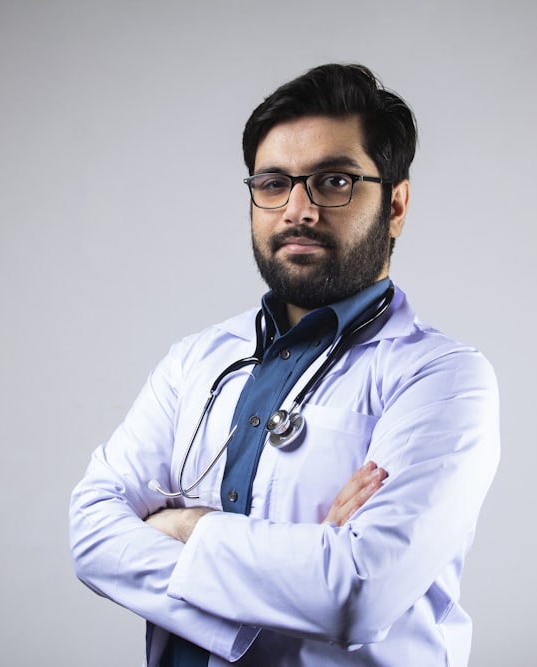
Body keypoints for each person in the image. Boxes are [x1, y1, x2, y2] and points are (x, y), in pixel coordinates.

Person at [69, 63, 500, 666]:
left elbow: (357, 596)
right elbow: (91, 536)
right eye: (273, 183)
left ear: (395, 204)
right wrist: (308, 559)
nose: (297, 209)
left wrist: (184, 527)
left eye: (333, 181)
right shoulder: (195, 360)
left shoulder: (442, 379)